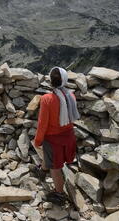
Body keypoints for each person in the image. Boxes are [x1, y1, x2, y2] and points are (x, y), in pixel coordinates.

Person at [34, 66, 79, 203]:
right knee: (51, 159)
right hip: (69, 135)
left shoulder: (47, 99)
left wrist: (38, 140)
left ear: (50, 80)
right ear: (65, 80)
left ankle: (59, 194)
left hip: (53, 139)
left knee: (55, 167)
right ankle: (42, 171)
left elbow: (43, 124)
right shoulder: (71, 96)